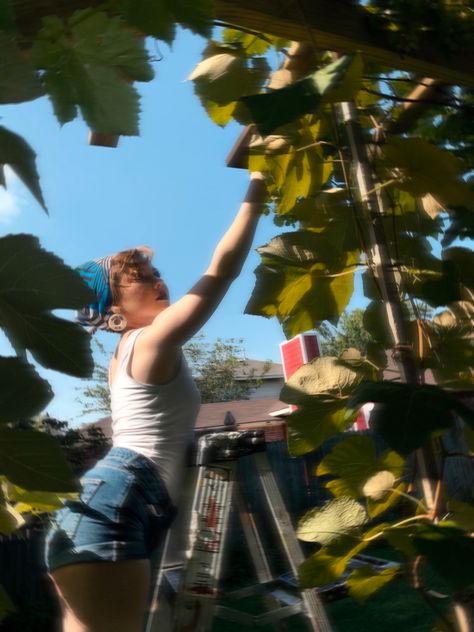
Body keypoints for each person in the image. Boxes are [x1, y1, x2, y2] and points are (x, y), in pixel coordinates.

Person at [44, 172, 267, 632]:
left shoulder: (127, 355)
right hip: (118, 503)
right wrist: (258, 187)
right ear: (114, 314)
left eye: (155, 274)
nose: (158, 281)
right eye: (140, 279)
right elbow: (221, 272)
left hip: (115, 501)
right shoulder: (148, 343)